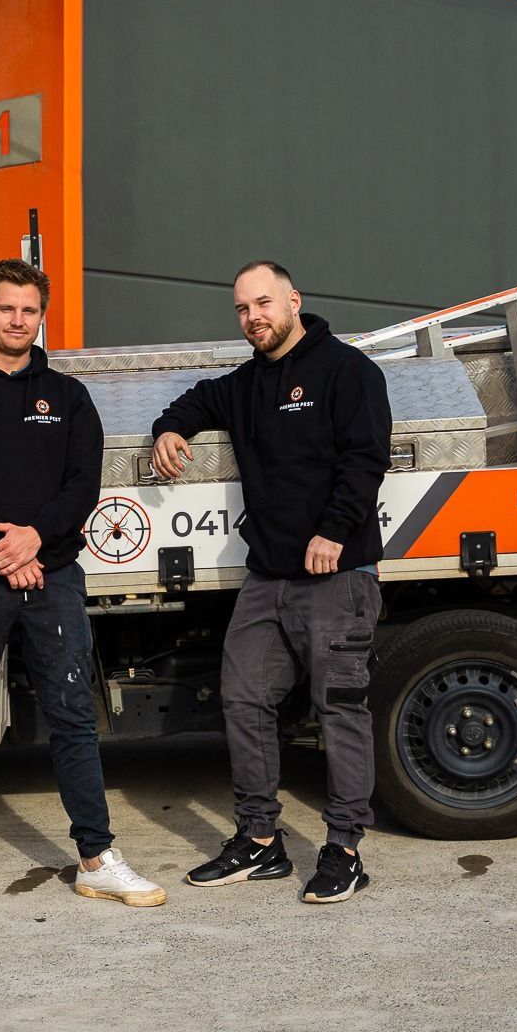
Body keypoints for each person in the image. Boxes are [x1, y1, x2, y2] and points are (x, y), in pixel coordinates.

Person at [0, 258, 164, 918]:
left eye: (29, 310)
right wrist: (4, 548)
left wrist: (34, 542)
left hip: (51, 573)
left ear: (39, 316)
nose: (17, 319)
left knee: (74, 714)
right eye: (6, 308)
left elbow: (80, 487)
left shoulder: (69, 398)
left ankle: (96, 858)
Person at [152, 261, 392, 903]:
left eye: (263, 303)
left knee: (339, 709)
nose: (253, 317)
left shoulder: (349, 373)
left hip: (335, 574)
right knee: (242, 697)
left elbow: (368, 460)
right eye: (241, 309)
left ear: (294, 300)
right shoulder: (247, 384)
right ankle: (260, 841)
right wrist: (169, 428)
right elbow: (196, 400)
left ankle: (344, 850)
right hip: (269, 579)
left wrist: (334, 531)